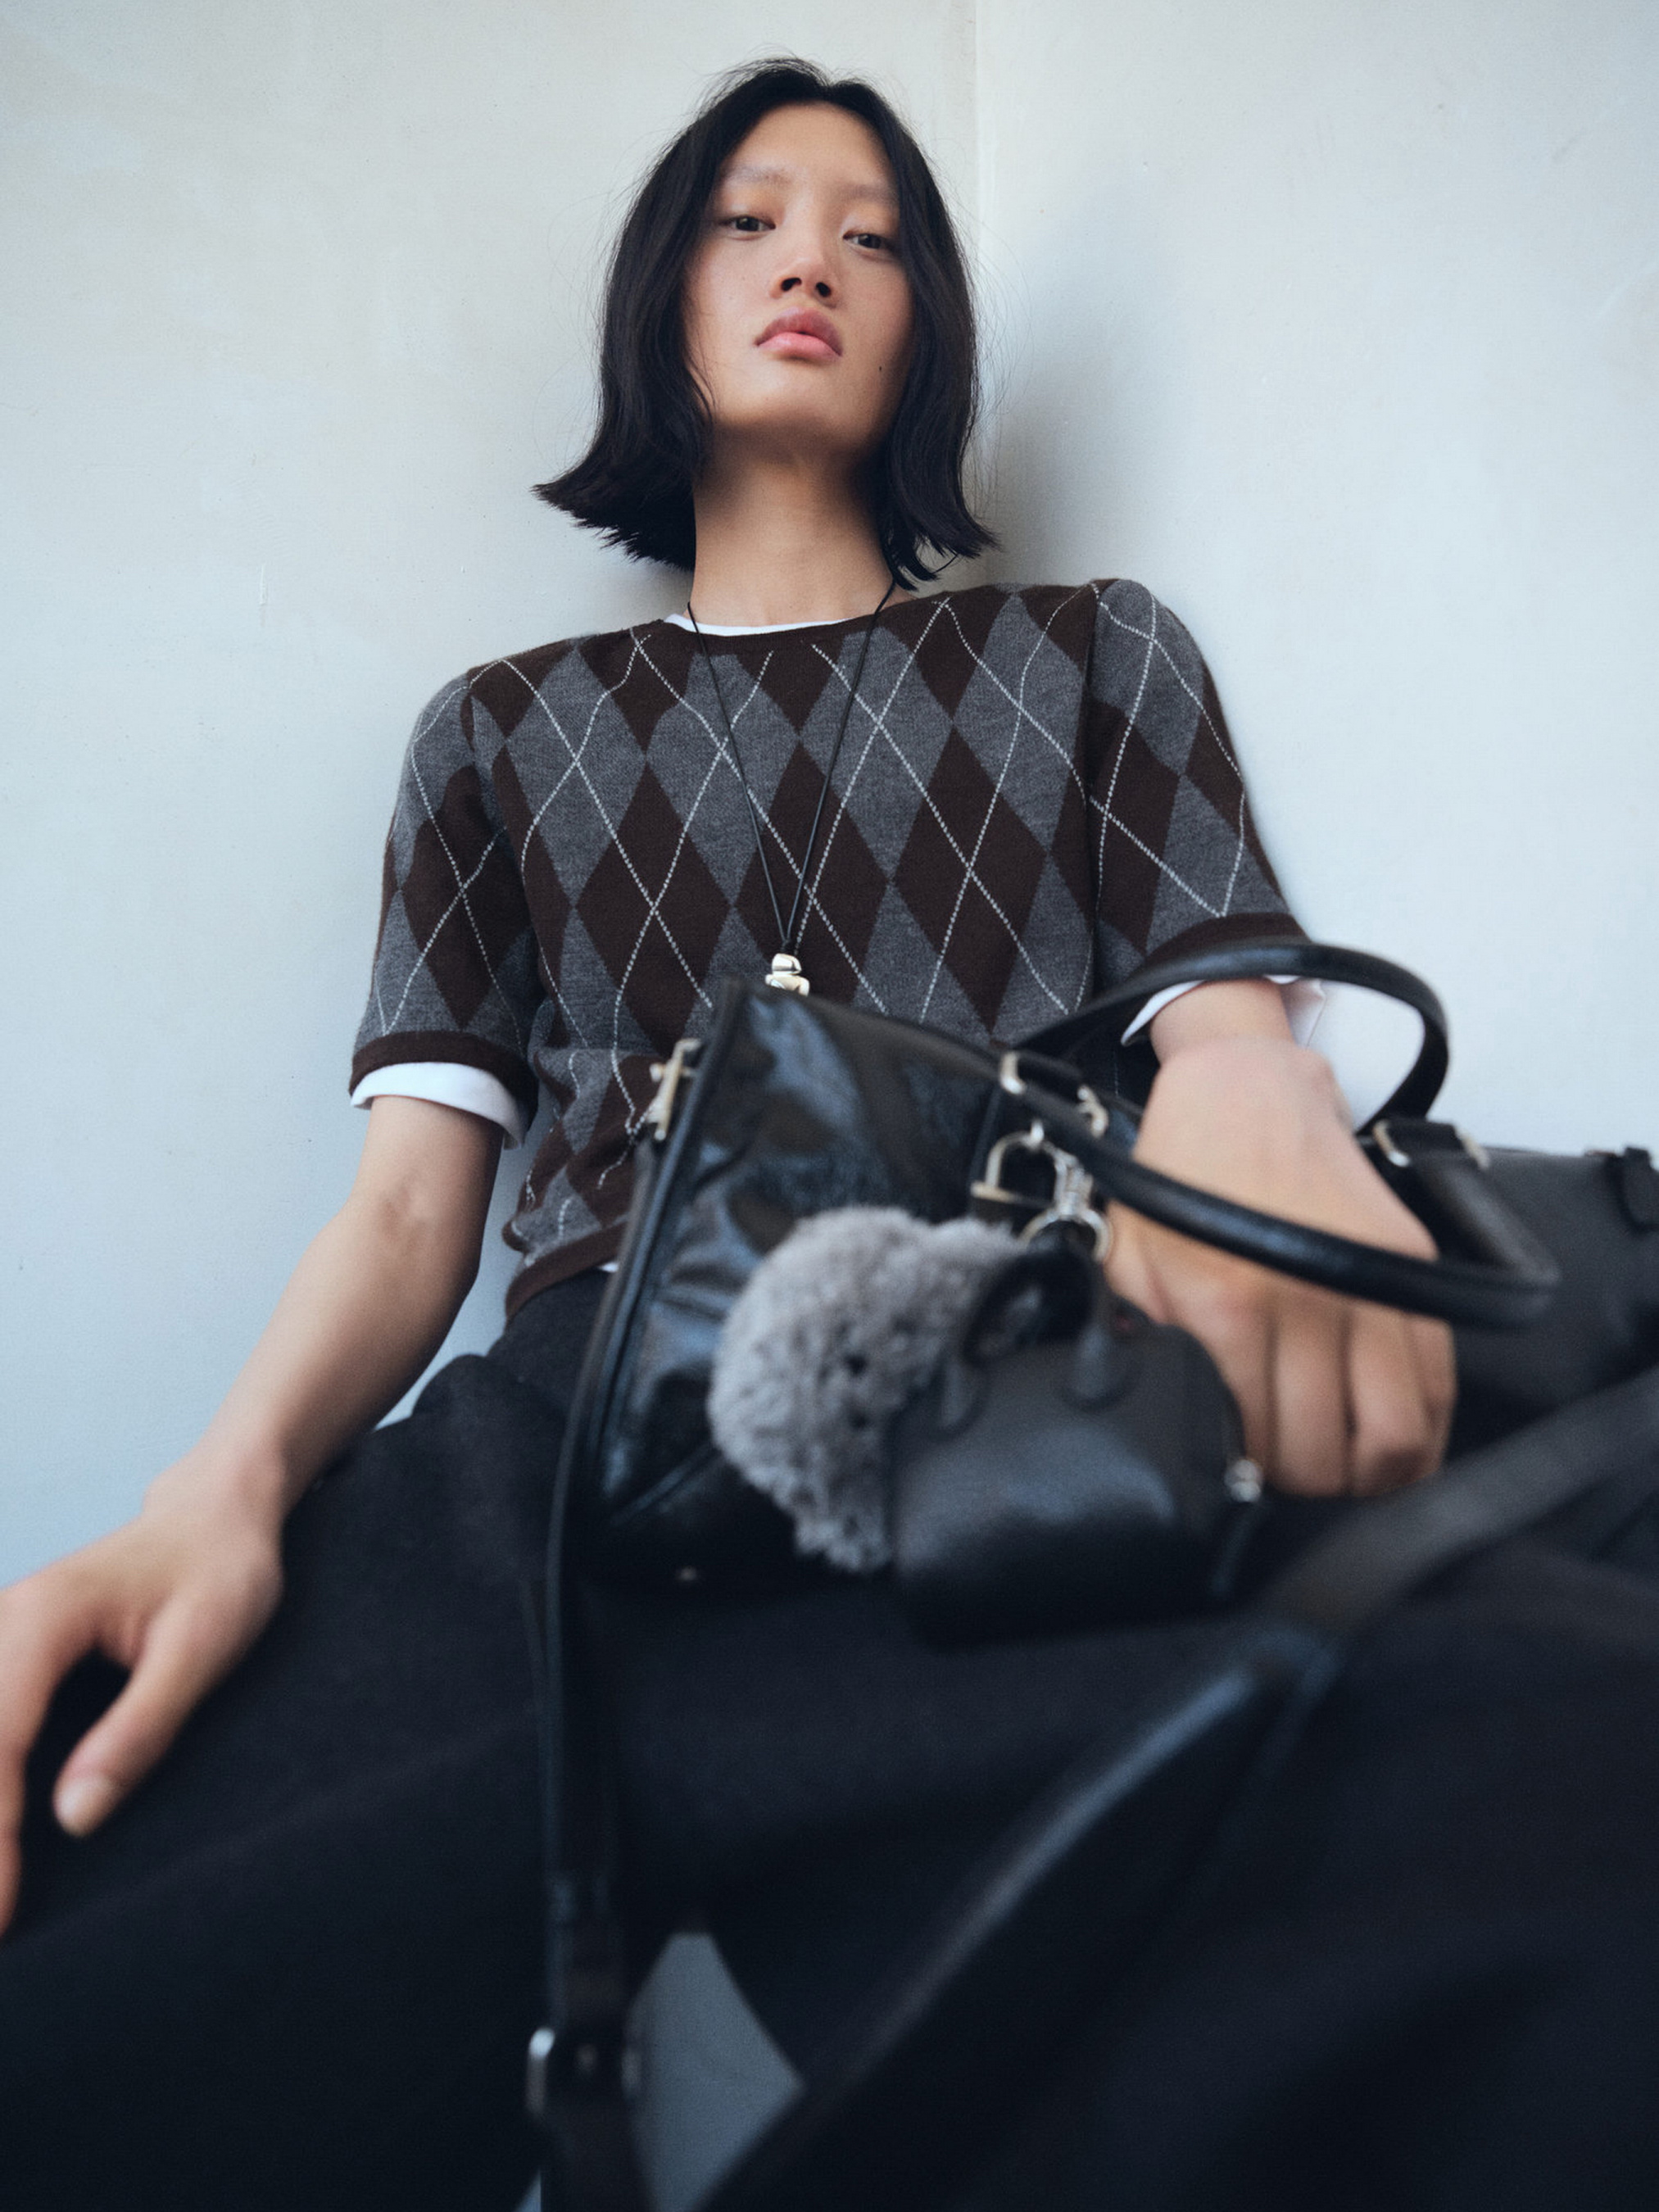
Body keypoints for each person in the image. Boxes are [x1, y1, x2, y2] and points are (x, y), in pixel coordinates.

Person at [3, 57, 1656, 2212]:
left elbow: (1229, 1028)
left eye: (874, 236)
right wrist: (211, 1498)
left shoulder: (1092, 653)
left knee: (1536, 1786)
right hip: (567, 1437)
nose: (813, 260)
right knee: (92, 1889)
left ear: (924, 327)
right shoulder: (495, 734)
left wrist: (1259, 1101)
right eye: (752, 218)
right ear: (662, 295)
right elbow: (412, 1214)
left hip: (1003, 1393)